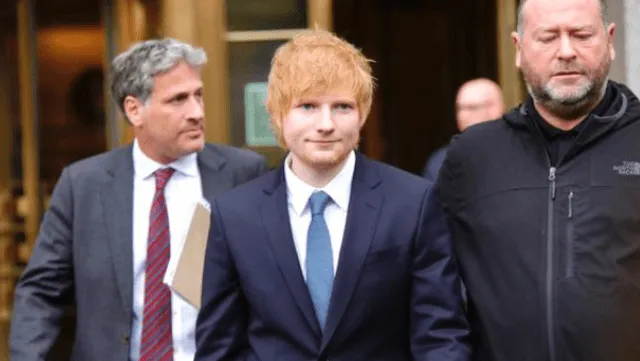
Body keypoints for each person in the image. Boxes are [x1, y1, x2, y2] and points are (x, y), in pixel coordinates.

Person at [195, 29, 470, 361]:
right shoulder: (233, 215)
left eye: (342, 106)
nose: (325, 124)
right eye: (308, 106)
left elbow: (440, 336)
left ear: (362, 115)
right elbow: (220, 347)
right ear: (279, 115)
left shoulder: (412, 203)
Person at [9, 38, 267, 361]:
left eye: (198, 95)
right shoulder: (83, 185)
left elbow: (270, 291)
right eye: (178, 100)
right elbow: (41, 292)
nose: (196, 112)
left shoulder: (242, 174)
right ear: (134, 110)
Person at [438, 0, 640, 360]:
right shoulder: (471, 158)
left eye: (581, 35)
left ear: (609, 41)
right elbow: (432, 290)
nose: (566, 51)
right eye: (548, 37)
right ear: (518, 49)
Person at [422, 78, 504, 182]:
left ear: (495, 109)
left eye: (471, 107)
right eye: (459, 108)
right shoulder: (441, 162)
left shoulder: (519, 153)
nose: (462, 115)